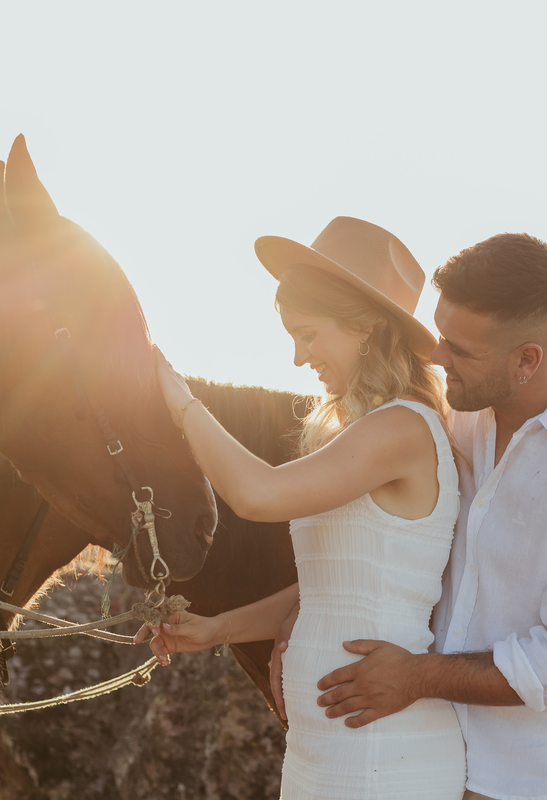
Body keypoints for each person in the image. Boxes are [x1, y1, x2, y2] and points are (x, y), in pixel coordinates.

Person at [289, 233, 547, 800]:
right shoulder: (463, 424)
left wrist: (418, 675)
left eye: (461, 350)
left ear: (527, 359)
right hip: (454, 768)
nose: (439, 358)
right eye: (442, 336)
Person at [138, 217, 466, 799]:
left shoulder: (402, 427)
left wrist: (179, 400)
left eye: (308, 334)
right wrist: (217, 629)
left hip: (382, 756)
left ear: (365, 324)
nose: (297, 358)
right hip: (326, 750)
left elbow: (255, 493)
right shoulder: (367, 430)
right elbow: (326, 589)